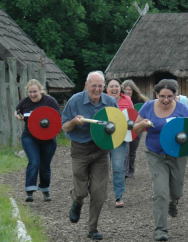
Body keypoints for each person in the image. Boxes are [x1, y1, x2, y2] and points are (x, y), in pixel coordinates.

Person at [62, 71, 118, 241]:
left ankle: (92, 228)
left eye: (100, 85)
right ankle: (77, 201)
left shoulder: (110, 102)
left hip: (101, 150)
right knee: (81, 191)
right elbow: (64, 127)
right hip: (80, 149)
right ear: (86, 86)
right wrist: (74, 122)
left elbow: (117, 124)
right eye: (94, 85)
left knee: (99, 192)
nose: (97, 89)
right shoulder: (75, 101)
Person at [133, 79, 188, 241]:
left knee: (177, 192)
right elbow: (135, 128)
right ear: (156, 94)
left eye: (170, 96)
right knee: (160, 193)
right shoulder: (147, 107)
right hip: (155, 154)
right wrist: (143, 123)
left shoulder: (181, 109)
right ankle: (160, 230)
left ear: (175, 95)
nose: (166, 100)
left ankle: (174, 202)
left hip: (177, 155)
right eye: (162, 96)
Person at [14, 79, 60, 203]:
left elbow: (58, 118)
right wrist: (18, 116)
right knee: (34, 162)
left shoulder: (50, 101)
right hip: (30, 137)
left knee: (44, 166)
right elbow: (17, 111)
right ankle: (29, 191)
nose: (33, 95)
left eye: (35, 91)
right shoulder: (25, 102)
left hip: (48, 139)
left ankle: (45, 190)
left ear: (40, 90)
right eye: (30, 92)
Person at [106, 78, 133, 208]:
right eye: (111, 86)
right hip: (104, 137)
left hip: (120, 137)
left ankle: (118, 195)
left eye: (116, 86)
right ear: (107, 89)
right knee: (102, 167)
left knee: (118, 166)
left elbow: (133, 117)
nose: (114, 88)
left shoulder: (126, 100)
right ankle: (99, 194)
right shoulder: (101, 100)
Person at [121, 79, 149, 178]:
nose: (128, 92)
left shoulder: (140, 101)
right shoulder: (121, 100)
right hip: (124, 127)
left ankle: (131, 170)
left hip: (136, 127)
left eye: (130, 90)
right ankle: (124, 171)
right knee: (125, 150)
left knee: (132, 150)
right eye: (126, 89)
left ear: (133, 90)